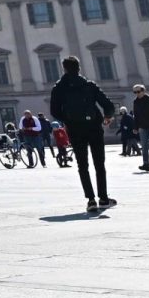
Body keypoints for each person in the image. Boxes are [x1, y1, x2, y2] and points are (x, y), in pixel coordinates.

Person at [50, 54, 118, 214]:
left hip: (75, 129)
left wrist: (68, 120)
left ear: (64, 68)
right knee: (99, 164)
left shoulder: (59, 88)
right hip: (94, 127)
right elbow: (108, 105)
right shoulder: (89, 85)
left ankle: (91, 200)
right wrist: (107, 117)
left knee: (83, 165)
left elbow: (54, 111)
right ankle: (103, 198)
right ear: (79, 68)